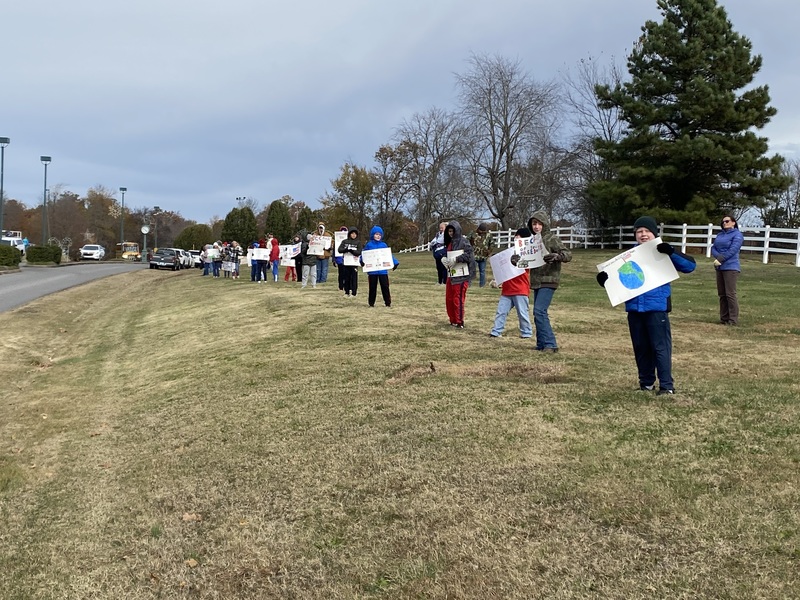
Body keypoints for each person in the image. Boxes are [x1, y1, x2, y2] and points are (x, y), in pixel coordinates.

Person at [596, 216, 696, 395]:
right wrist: (605, 281)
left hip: (656, 307)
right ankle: (646, 383)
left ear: (654, 233)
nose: (643, 235)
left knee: (660, 347)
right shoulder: (628, 257)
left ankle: (666, 385)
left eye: (647, 231)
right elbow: (619, 280)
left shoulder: (662, 250)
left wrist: (670, 252)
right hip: (635, 308)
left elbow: (690, 266)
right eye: (639, 232)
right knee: (641, 347)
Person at [528, 210, 572, 352]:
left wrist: (557, 256)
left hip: (549, 279)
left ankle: (550, 344)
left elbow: (567, 254)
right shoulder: (531, 241)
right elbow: (525, 261)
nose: (536, 227)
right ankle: (541, 344)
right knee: (538, 313)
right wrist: (516, 260)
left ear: (544, 225)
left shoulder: (552, 239)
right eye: (534, 224)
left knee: (539, 311)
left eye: (539, 224)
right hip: (537, 280)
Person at [490, 228, 533, 339]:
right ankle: (496, 331)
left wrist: (517, 261)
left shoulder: (527, 254)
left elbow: (527, 266)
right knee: (501, 311)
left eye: (520, 237)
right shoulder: (509, 252)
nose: (517, 238)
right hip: (507, 288)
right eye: (516, 236)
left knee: (522, 313)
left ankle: (526, 332)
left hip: (520, 289)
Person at [440, 220, 476, 328]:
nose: (451, 233)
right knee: (449, 299)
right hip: (451, 275)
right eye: (449, 231)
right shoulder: (449, 243)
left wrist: (457, 259)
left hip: (461, 276)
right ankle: (453, 319)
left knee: (458, 299)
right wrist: (444, 259)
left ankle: (459, 321)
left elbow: (469, 255)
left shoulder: (464, 242)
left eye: (452, 231)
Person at [711, 215, 744, 325]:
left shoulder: (737, 235)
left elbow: (733, 249)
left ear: (733, 222)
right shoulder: (720, 235)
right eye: (723, 221)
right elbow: (713, 247)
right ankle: (724, 318)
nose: (724, 223)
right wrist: (717, 257)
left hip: (731, 266)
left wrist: (721, 258)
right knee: (722, 294)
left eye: (727, 221)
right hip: (719, 266)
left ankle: (733, 319)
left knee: (730, 294)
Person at [362, 225, 398, 307]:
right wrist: (361, 261)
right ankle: (371, 303)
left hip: (383, 270)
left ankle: (387, 302)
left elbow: (388, 256)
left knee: (385, 286)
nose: (378, 236)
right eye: (376, 234)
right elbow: (364, 255)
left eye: (379, 234)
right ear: (372, 235)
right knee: (372, 287)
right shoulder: (369, 245)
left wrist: (395, 262)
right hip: (372, 271)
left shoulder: (384, 245)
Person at [338, 227, 361, 297]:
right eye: (352, 233)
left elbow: (359, 252)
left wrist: (352, 251)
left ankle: (354, 293)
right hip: (347, 262)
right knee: (346, 278)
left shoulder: (358, 242)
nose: (354, 235)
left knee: (354, 278)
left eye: (355, 234)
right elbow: (339, 249)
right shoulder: (345, 241)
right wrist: (346, 250)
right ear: (349, 234)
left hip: (354, 263)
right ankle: (346, 292)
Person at [469, 223, 494, 287]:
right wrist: (469, 249)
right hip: (474, 255)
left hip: (483, 256)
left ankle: (482, 285)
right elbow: (466, 241)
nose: (482, 232)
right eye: (481, 231)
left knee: (482, 271)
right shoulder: (473, 233)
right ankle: (469, 284)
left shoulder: (488, 235)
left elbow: (492, 244)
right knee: (471, 270)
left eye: (483, 231)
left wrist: (489, 251)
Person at [334, 226, 349, 292]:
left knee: (347, 274)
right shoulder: (337, 241)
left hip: (347, 259)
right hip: (339, 259)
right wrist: (334, 260)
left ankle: (347, 286)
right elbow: (335, 251)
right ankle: (341, 286)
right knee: (341, 274)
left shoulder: (349, 241)